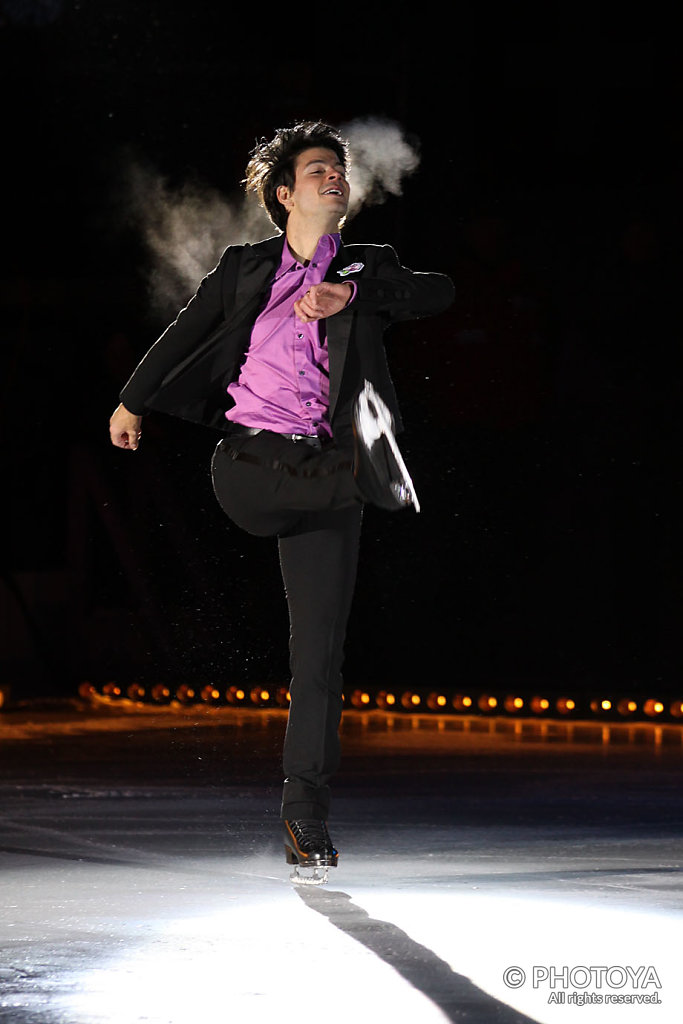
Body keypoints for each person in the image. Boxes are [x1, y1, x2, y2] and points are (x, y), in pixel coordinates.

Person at [109, 121, 454, 882]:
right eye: (319, 168)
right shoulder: (244, 269)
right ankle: (374, 478)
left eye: (341, 168)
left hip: (327, 471)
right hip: (250, 464)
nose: (335, 177)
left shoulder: (368, 266)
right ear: (285, 193)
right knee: (325, 480)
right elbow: (181, 334)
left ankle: (305, 817)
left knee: (319, 660)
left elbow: (437, 291)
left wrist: (351, 292)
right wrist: (131, 403)